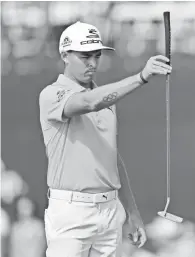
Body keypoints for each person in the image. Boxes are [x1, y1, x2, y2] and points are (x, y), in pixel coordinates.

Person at [39, 21, 172, 257]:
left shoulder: (106, 101)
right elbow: (89, 102)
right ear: (65, 55)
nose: (92, 63)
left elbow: (112, 159)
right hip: (72, 211)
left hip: (109, 211)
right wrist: (142, 76)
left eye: (96, 56)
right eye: (84, 56)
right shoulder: (52, 94)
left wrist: (132, 212)